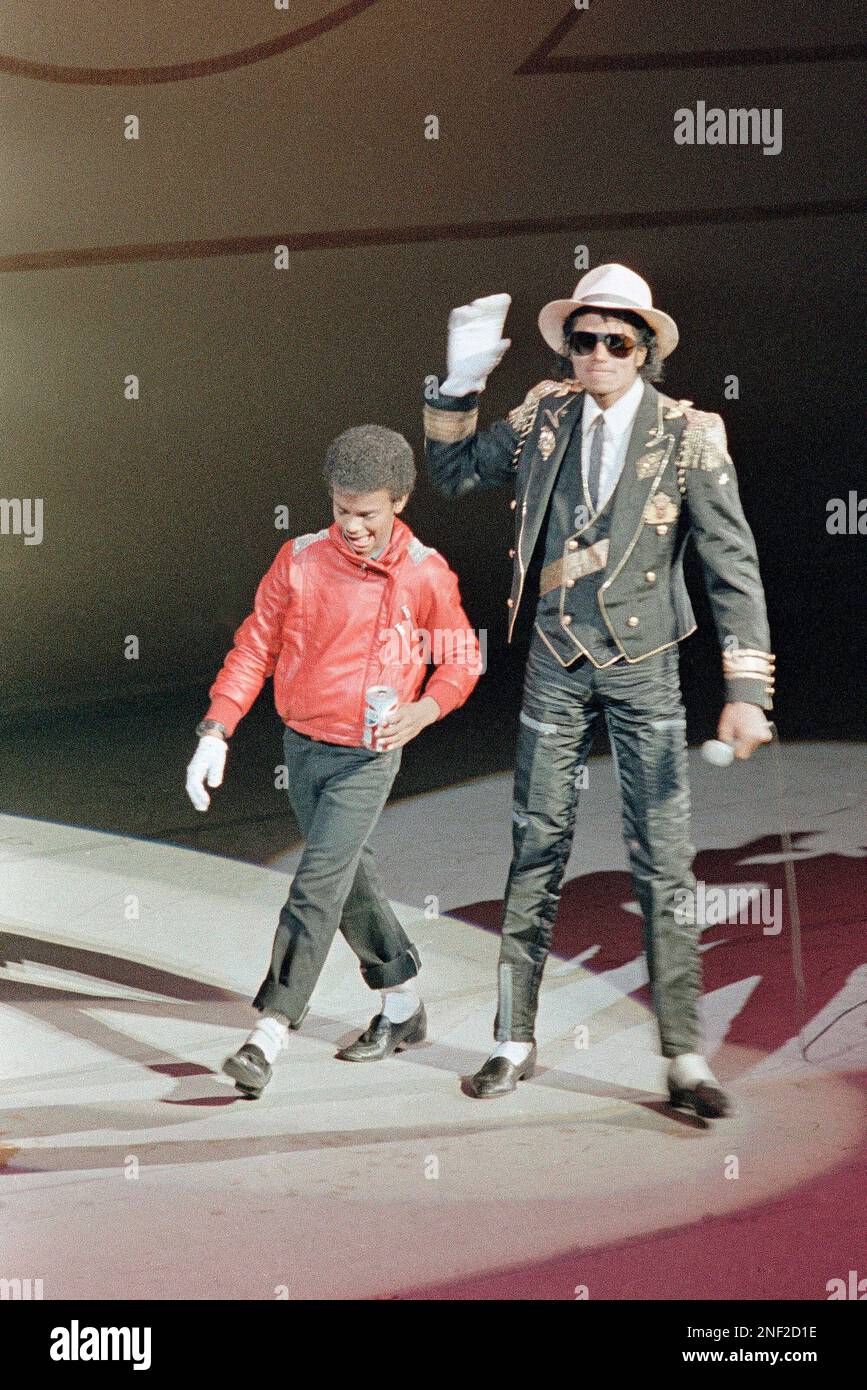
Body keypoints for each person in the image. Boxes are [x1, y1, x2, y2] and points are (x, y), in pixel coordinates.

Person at [423, 264, 774, 1117]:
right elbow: (456, 476)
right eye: (583, 340)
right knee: (534, 846)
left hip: (644, 662)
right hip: (553, 656)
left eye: (616, 340)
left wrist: (745, 688)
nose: (597, 354)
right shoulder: (542, 415)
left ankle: (683, 1057)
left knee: (661, 856)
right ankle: (512, 1038)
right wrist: (461, 384)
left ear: (644, 348)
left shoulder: (689, 435)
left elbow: (732, 566)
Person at [186, 425, 482, 1097]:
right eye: (341, 509)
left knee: (316, 885)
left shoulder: (423, 573)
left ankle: (269, 1032)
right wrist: (216, 729)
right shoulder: (297, 559)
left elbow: (461, 659)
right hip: (303, 748)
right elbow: (254, 647)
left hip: (368, 758)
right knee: (351, 881)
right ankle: (403, 1006)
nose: (351, 525)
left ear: (399, 502)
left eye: (367, 513)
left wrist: (424, 710)